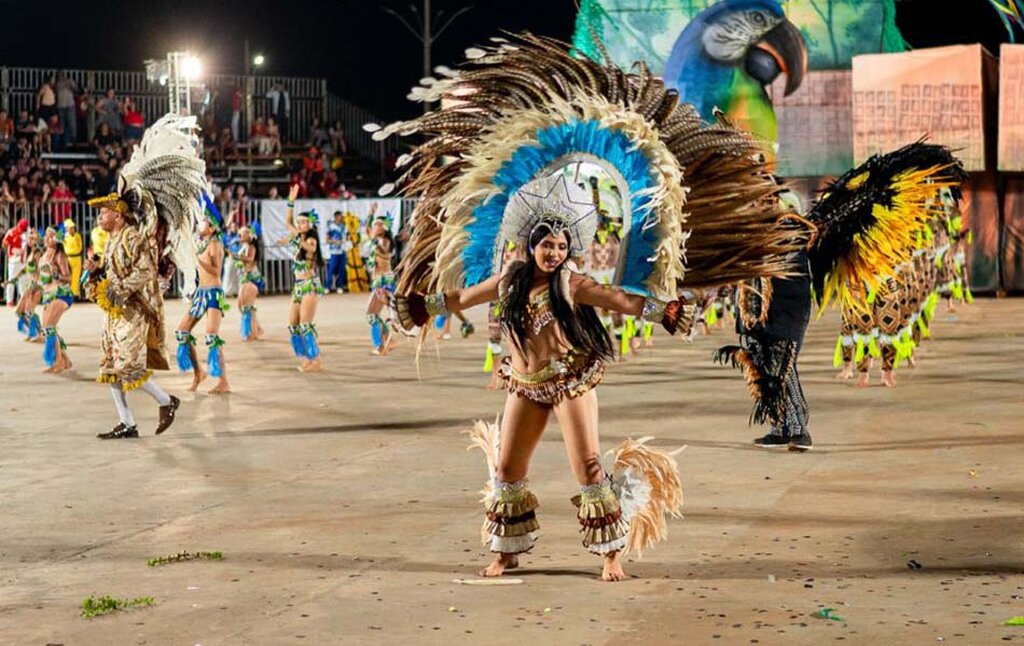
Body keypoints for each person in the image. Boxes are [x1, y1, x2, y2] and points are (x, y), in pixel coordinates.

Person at [399, 175, 689, 581]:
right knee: (506, 471)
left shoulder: (570, 283)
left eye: (561, 246)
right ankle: (506, 553)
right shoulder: (509, 281)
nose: (553, 253)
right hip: (525, 384)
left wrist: (663, 312)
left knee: (588, 468)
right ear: (531, 245)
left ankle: (611, 556)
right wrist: (422, 307)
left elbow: (616, 298)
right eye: (546, 245)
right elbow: (463, 298)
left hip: (570, 381)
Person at [84, 113, 206, 440]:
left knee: (129, 368)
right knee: (109, 368)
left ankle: (167, 401)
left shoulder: (135, 237)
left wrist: (118, 289)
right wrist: (96, 276)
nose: (100, 215)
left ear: (119, 215)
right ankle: (128, 423)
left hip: (134, 309)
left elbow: (143, 273)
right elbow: (114, 274)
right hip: (116, 311)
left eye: (105, 211)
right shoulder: (112, 240)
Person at [174, 197, 231, 394]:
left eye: (204, 222)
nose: (200, 224)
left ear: (213, 227)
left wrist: (197, 259)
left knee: (211, 336)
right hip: (200, 293)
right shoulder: (201, 244)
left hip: (214, 293)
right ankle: (199, 372)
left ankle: (223, 381)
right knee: (182, 332)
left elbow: (215, 271)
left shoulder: (215, 245)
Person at [281, 184, 324, 372]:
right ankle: (306, 357)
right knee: (293, 325)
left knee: (305, 325)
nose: (299, 225)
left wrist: (295, 236)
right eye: (299, 223)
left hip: (310, 286)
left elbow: (311, 248)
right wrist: (291, 202)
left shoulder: (311, 239)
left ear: (311, 225)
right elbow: (288, 221)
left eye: (304, 222)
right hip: (298, 287)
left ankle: (316, 360)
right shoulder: (298, 235)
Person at [38, 226, 75, 373]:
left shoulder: (59, 255)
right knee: (47, 329)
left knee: (48, 327)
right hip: (48, 295)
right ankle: (64, 360)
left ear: (57, 238)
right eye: (46, 236)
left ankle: (58, 362)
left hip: (61, 294)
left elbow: (69, 278)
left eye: (51, 236)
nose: (48, 238)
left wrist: (57, 275)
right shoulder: (43, 256)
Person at [365, 212, 397, 355]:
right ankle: (389, 341)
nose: (375, 227)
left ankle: (380, 346)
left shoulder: (384, 241)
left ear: (385, 227)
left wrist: (374, 242)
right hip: (379, 280)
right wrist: (371, 214)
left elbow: (386, 253)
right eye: (375, 224)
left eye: (378, 224)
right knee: (374, 315)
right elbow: (367, 229)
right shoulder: (376, 239)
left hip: (383, 281)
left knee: (371, 314)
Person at [233, 222, 265, 341]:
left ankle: (251, 332)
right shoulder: (244, 246)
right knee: (242, 304)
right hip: (245, 277)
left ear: (250, 236)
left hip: (251, 278)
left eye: (243, 232)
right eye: (240, 232)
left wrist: (237, 256)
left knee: (246, 306)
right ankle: (256, 328)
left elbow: (250, 259)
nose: (240, 234)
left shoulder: (251, 247)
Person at [10, 227, 42, 340]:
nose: (29, 239)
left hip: (35, 285)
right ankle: (35, 330)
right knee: (19, 311)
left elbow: (41, 269)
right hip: (30, 285)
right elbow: (27, 269)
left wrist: (35, 285)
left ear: (37, 239)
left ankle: (35, 333)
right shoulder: (30, 253)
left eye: (32, 237)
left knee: (28, 311)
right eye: (29, 237)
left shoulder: (37, 252)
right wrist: (13, 279)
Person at [3, 218, 27, 306]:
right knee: (11, 280)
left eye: (23, 228)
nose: (22, 230)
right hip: (13, 261)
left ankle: (23, 301)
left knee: (23, 281)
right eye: (21, 228)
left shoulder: (27, 233)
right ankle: (9, 301)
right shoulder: (11, 232)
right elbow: (4, 243)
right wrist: (9, 246)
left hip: (23, 261)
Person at [326, 210, 348, 293]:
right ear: (336, 217)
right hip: (334, 251)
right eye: (340, 216)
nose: (342, 218)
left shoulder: (344, 226)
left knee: (341, 270)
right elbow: (327, 240)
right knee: (331, 270)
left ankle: (339, 286)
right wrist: (335, 241)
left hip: (343, 250)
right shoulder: (331, 227)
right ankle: (328, 286)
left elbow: (346, 237)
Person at [62, 219, 84, 298]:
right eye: (70, 228)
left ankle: (75, 293)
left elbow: (80, 246)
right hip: (68, 258)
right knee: (68, 276)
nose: (72, 229)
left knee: (76, 276)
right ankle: (68, 292)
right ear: (66, 228)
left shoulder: (77, 235)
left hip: (77, 257)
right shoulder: (64, 237)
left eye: (73, 227)